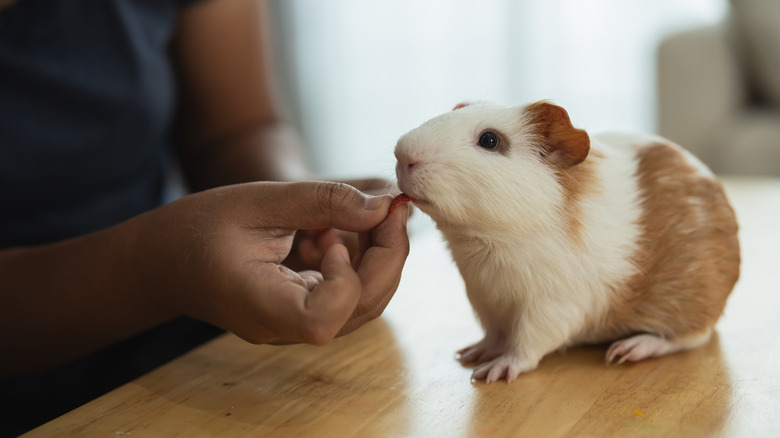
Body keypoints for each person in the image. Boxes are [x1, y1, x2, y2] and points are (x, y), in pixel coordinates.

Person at [0, 0, 410, 434]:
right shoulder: (166, 269)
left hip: (182, 362)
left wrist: (297, 207)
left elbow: (235, 131)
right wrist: (157, 268)